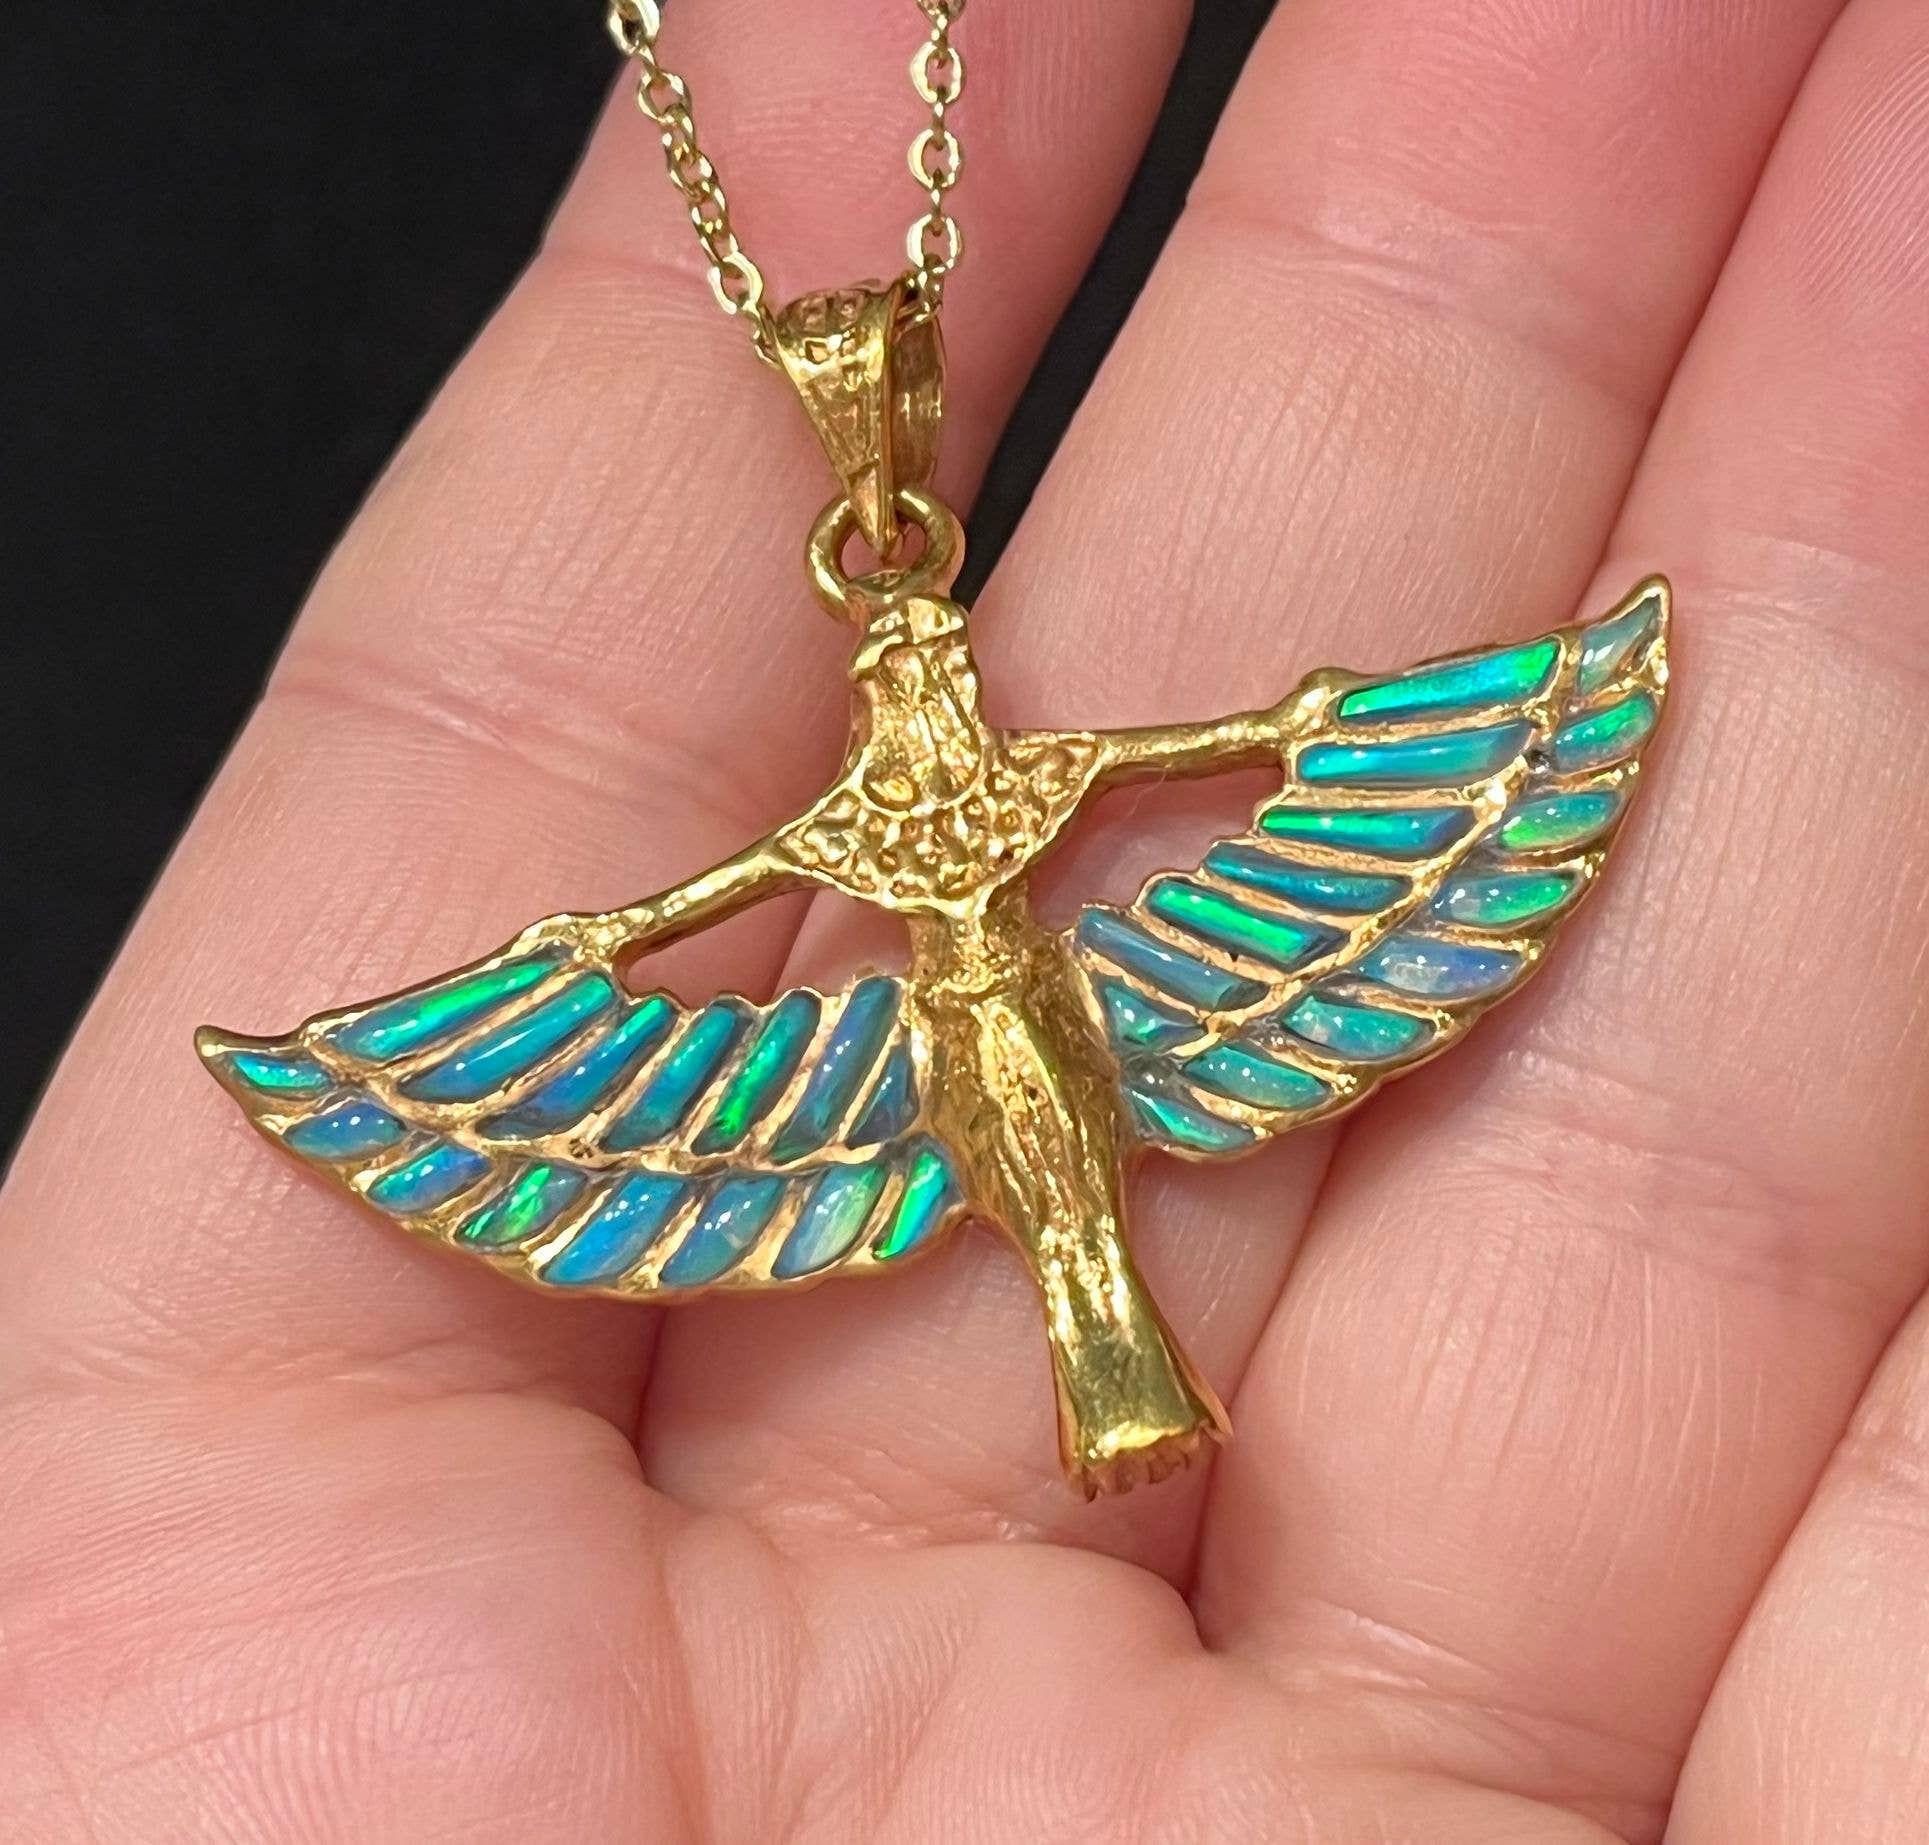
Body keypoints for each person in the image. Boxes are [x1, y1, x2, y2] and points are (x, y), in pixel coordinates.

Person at [3, 2, 1926, 1837]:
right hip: (957, 1045)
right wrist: (580, 955)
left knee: (1088, 1221)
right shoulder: (863, 812)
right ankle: (1108, 1371)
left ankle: (1122, 1367)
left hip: (1058, 1024)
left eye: (931, 662)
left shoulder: (1025, 772)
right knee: (1054, 1228)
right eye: (900, 668)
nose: (922, 678)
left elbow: (1193, 752)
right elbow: (729, 889)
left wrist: (1321, 731)